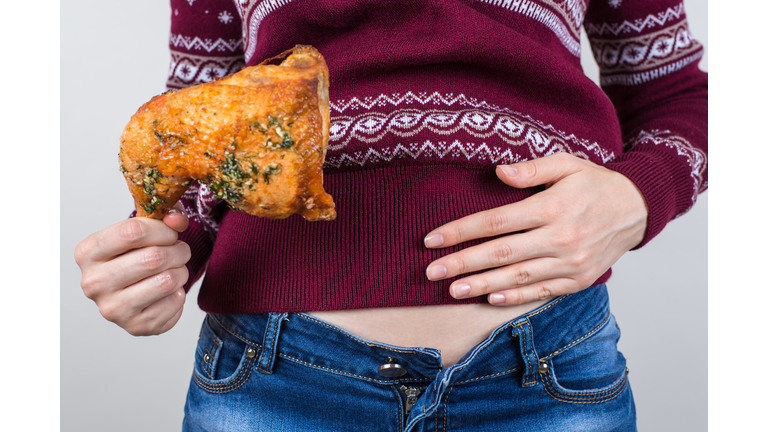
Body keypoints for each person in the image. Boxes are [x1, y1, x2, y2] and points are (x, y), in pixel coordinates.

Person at [74, 0, 707, 430]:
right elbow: (198, 117)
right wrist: (157, 258)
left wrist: (639, 196)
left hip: (547, 373)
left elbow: (681, 93)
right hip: (278, 379)